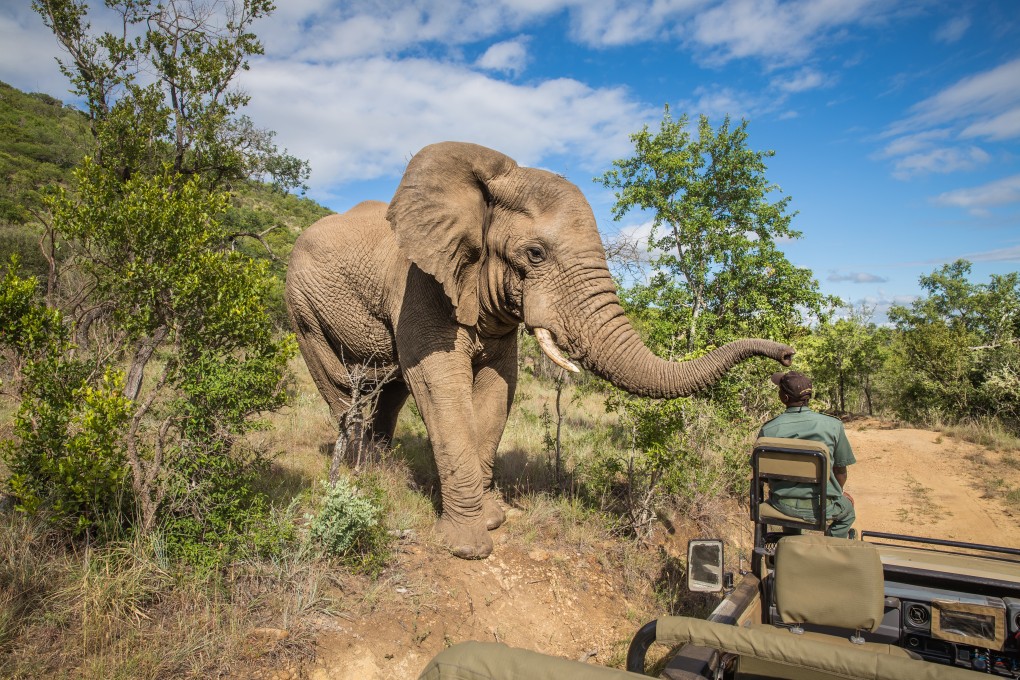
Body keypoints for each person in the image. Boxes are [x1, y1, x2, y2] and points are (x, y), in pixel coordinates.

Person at [758, 370, 856, 538]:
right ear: (808, 397)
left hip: (783, 505)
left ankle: (793, 544)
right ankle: (831, 548)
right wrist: (836, 494)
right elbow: (841, 471)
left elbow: (763, 475)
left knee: (789, 516)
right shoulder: (833, 425)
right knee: (848, 512)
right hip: (823, 506)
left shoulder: (769, 429)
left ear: (785, 398)